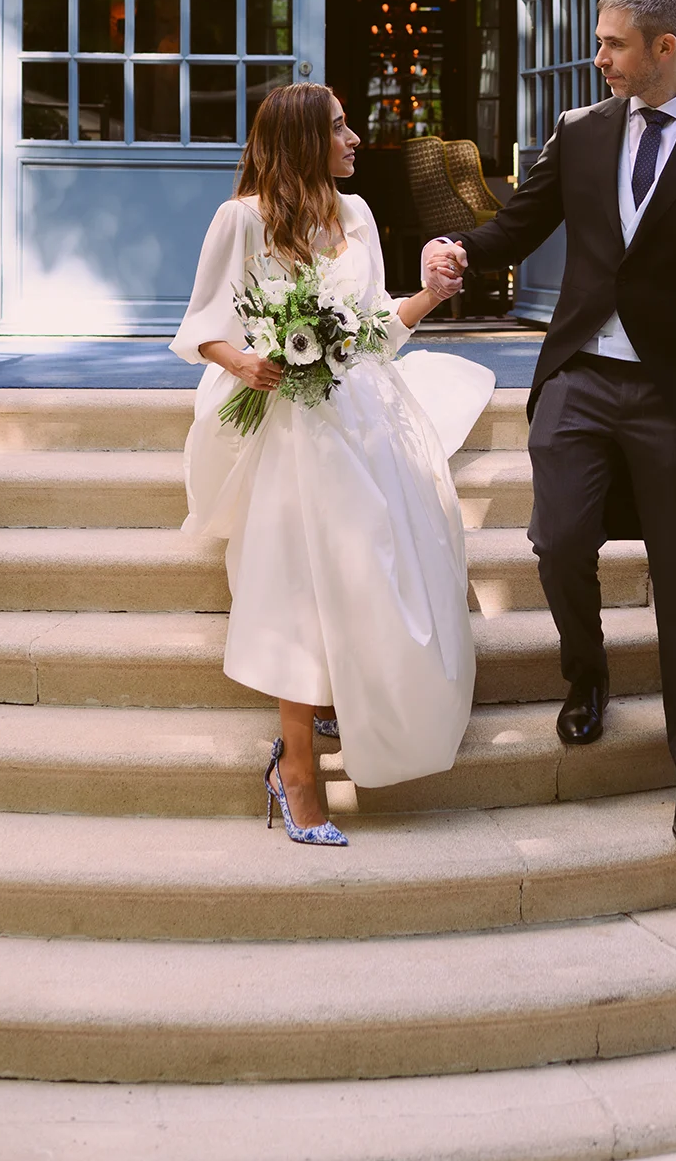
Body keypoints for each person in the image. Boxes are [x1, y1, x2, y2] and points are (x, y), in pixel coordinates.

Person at [424, 0, 676, 843]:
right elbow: (518, 224)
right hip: (579, 376)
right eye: (599, 41)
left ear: (665, 46)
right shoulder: (580, 131)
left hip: (675, 398)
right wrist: (457, 248)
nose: (599, 58)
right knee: (557, 539)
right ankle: (586, 673)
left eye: (613, 43)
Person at [172, 84, 494, 846]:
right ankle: (297, 769)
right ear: (301, 140)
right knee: (298, 572)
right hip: (283, 409)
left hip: (364, 405)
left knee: (377, 557)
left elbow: (376, 330)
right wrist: (245, 362)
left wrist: (429, 295)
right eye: (340, 127)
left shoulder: (356, 215)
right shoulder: (240, 219)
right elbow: (200, 327)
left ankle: (344, 695)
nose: (354, 138)